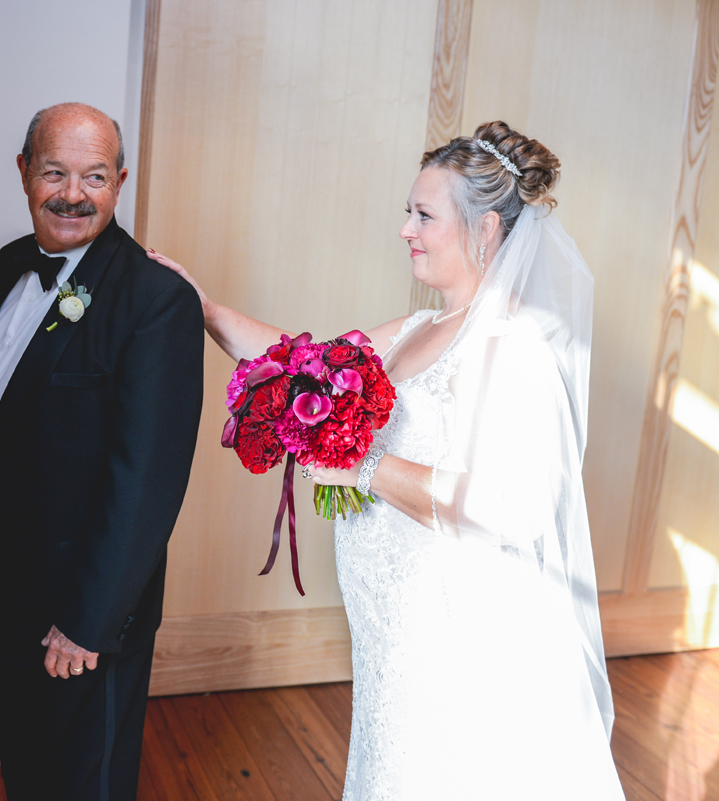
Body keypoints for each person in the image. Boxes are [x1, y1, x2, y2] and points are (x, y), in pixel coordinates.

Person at [150, 121, 625, 799]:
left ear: (485, 231)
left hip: (457, 631)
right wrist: (203, 308)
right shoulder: (416, 329)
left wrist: (364, 467)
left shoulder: (511, 345)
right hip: (392, 628)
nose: (406, 229)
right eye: (410, 212)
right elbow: (300, 365)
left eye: (424, 215)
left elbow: (506, 506)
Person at [0, 103, 204, 800]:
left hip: (79, 613)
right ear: (24, 172)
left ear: (120, 181)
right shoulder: (8, 264)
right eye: (55, 171)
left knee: (85, 787)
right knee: (29, 773)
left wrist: (88, 620)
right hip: (1, 589)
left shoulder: (155, 300)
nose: (72, 194)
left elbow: (146, 481)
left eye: (93, 177)